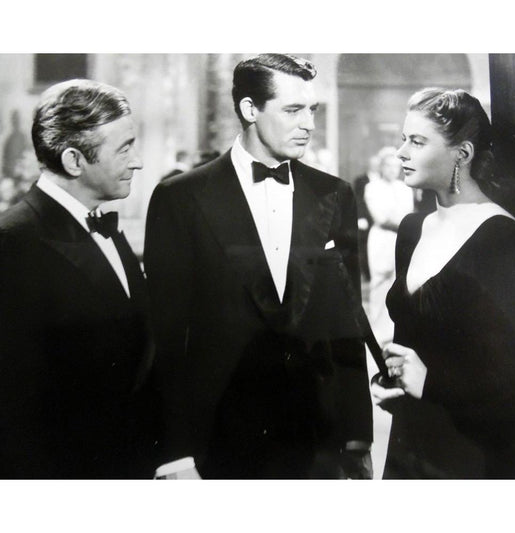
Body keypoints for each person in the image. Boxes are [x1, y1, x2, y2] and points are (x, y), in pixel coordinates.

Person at [144, 54, 373, 479]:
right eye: (293, 110)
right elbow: (165, 337)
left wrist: (358, 436)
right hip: (218, 443)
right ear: (250, 109)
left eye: (312, 110)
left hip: (315, 442)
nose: (309, 124)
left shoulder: (335, 194)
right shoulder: (180, 198)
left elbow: (347, 322)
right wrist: (175, 456)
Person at [0, 79, 159, 478]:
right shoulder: (12, 243)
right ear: (74, 161)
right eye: (124, 148)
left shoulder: (102, 225)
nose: (138, 162)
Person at [372, 88, 515, 478]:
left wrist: (431, 382)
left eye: (417, 141)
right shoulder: (411, 229)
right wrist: (392, 379)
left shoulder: (504, 238)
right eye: (403, 139)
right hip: (409, 442)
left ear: (462, 153)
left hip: (471, 455)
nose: (401, 153)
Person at [365, 147, 413, 345]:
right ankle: (376, 333)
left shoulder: (405, 188)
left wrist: (399, 219)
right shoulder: (372, 187)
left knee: (398, 282)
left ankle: (392, 333)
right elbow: (380, 217)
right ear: (382, 166)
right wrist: (398, 219)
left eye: (396, 166)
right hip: (381, 238)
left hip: (400, 239)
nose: (392, 170)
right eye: (388, 165)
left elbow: (408, 214)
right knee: (379, 283)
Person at [351, 153, 380, 282]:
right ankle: (367, 274)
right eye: (373, 164)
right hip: (366, 218)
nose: (375, 166)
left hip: (379, 217)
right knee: (365, 246)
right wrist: (360, 217)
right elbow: (357, 200)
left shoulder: (381, 179)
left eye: (377, 164)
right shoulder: (360, 180)